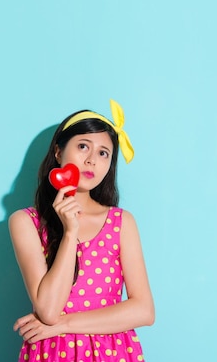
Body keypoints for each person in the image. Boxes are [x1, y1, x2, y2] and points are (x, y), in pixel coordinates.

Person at [9, 99, 154, 362]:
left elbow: (144, 310)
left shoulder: (122, 222)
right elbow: (49, 311)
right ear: (58, 152)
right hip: (52, 353)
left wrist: (64, 325)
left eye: (103, 153)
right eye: (83, 146)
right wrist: (69, 232)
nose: (91, 160)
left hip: (112, 353)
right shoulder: (25, 221)